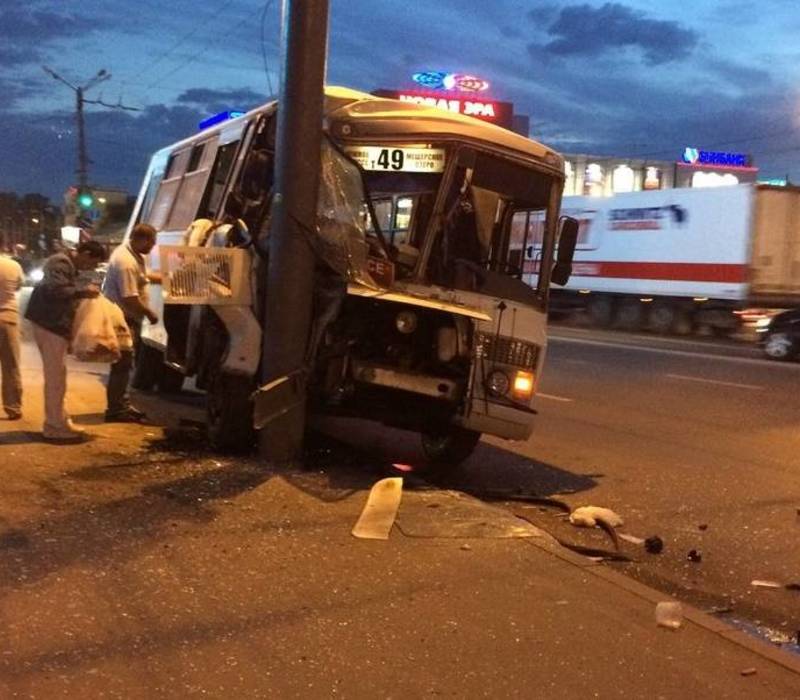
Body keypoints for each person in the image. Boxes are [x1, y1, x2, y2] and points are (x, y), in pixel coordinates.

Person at [24, 241, 107, 441]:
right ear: (85, 253)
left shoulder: (67, 264)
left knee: (58, 377)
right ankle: (54, 426)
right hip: (49, 324)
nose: (91, 268)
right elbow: (56, 290)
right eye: (92, 262)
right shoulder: (60, 263)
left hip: (52, 325)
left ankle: (60, 420)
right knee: (55, 379)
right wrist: (83, 292)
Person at [102, 223, 160, 422]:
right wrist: (150, 313)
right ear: (141, 239)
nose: (152, 248)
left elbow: (141, 277)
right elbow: (129, 298)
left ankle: (121, 404)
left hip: (126, 318)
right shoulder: (125, 261)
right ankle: (116, 410)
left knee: (124, 364)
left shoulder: (131, 254)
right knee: (122, 364)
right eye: (151, 244)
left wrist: (165, 279)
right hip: (122, 319)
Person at [0, 251, 24, 420]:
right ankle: (13, 407)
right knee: (11, 366)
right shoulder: (13, 265)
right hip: (8, 318)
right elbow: (18, 286)